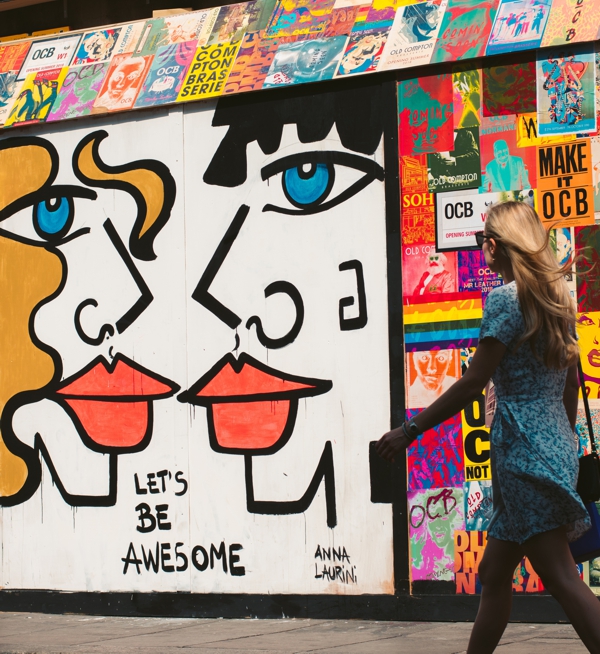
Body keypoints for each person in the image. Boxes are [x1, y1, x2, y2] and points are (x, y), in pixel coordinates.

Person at [377, 201, 600, 653]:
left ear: (494, 246)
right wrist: (562, 438)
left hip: (521, 453)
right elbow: (569, 380)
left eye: (483, 240)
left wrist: (410, 430)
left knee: (560, 576)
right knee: (494, 576)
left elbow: (474, 382)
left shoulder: (504, 299)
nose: (482, 247)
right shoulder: (558, 297)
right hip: (550, 443)